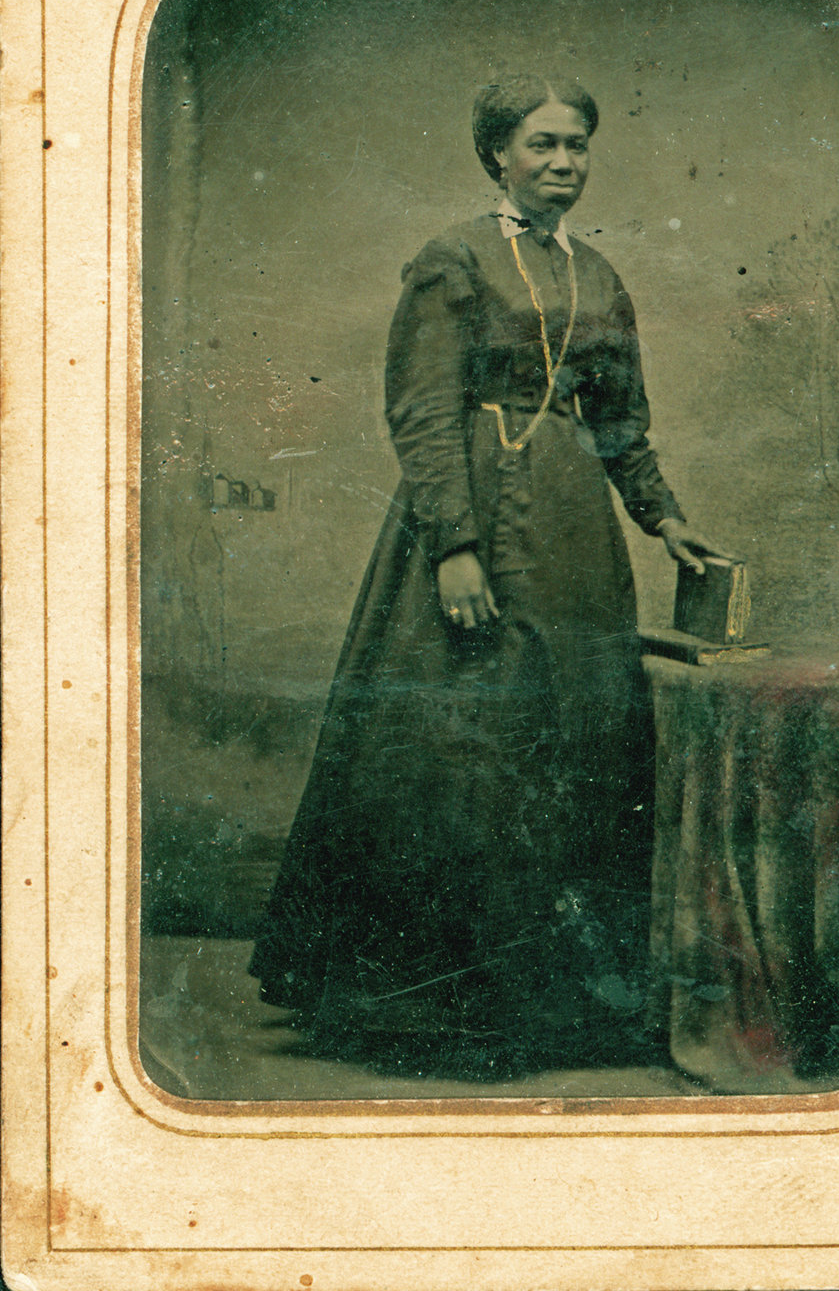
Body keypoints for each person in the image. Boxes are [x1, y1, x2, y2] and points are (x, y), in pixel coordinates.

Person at [249, 73, 727, 1081]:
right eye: (542, 145)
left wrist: (663, 519)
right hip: (469, 517)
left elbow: (620, 421)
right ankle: (438, 1010)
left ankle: (557, 1005)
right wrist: (453, 546)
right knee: (464, 750)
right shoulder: (452, 262)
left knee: (572, 743)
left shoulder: (598, 278)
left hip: (573, 542)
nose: (562, 163)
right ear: (497, 154)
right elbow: (421, 410)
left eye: (576, 146)